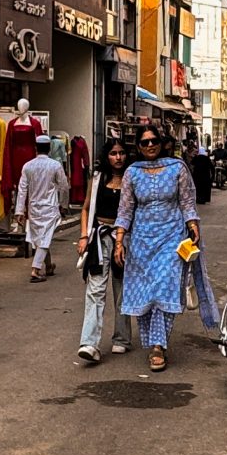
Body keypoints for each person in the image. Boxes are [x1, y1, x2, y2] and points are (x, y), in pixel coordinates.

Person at [115, 125, 201, 373]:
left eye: (153, 141)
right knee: (145, 293)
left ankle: (157, 346)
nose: (150, 145)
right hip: (141, 242)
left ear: (162, 143)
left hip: (171, 238)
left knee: (165, 288)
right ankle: (153, 341)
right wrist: (119, 242)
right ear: (139, 147)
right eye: (144, 142)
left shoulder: (177, 168)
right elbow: (125, 209)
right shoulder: (132, 172)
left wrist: (193, 225)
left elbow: (186, 201)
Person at [76, 138, 134, 363]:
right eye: (113, 153)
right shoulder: (98, 178)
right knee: (95, 290)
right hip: (100, 239)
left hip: (125, 239)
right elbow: (86, 209)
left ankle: (122, 338)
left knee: (122, 291)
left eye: (121, 153)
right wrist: (83, 236)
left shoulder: (131, 179)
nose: (118, 157)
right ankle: (89, 343)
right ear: (106, 155)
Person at [15, 133, 71, 281]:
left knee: (42, 239)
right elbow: (64, 187)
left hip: (34, 208)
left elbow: (22, 189)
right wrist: (64, 205)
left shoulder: (28, 166)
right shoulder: (55, 165)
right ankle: (35, 269)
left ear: (35, 148)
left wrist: (19, 210)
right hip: (50, 207)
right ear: (50, 148)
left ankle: (48, 266)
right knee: (45, 239)